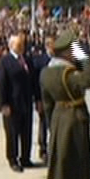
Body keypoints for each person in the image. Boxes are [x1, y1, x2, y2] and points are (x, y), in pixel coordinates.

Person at [40, 30, 90, 179]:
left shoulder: (46, 72)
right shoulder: (68, 73)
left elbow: (47, 103)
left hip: (58, 118)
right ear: (67, 52)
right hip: (72, 120)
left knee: (58, 162)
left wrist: (51, 123)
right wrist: (86, 57)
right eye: (74, 49)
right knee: (68, 165)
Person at [0, 33, 39, 172]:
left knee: (26, 132)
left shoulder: (27, 60)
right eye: (19, 45)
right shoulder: (5, 61)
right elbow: (0, 84)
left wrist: (38, 99)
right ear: (11, 46)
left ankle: (25, 158)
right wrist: (3, 104)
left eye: (23, 44)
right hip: (12, 105)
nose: (22, 47)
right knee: (12, 134)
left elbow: (34, 82)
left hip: (26, 103)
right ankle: (13, 159)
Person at [33, 35, 55, 163]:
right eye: (52, 45)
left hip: (57, 99)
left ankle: (54, 149)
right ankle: (43, 149)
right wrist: (37, 100)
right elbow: (36, 82)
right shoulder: (40, 61)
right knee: (43, 124)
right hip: (44, 99)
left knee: (55, 125)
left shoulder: (59, 60)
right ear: (47, 46)